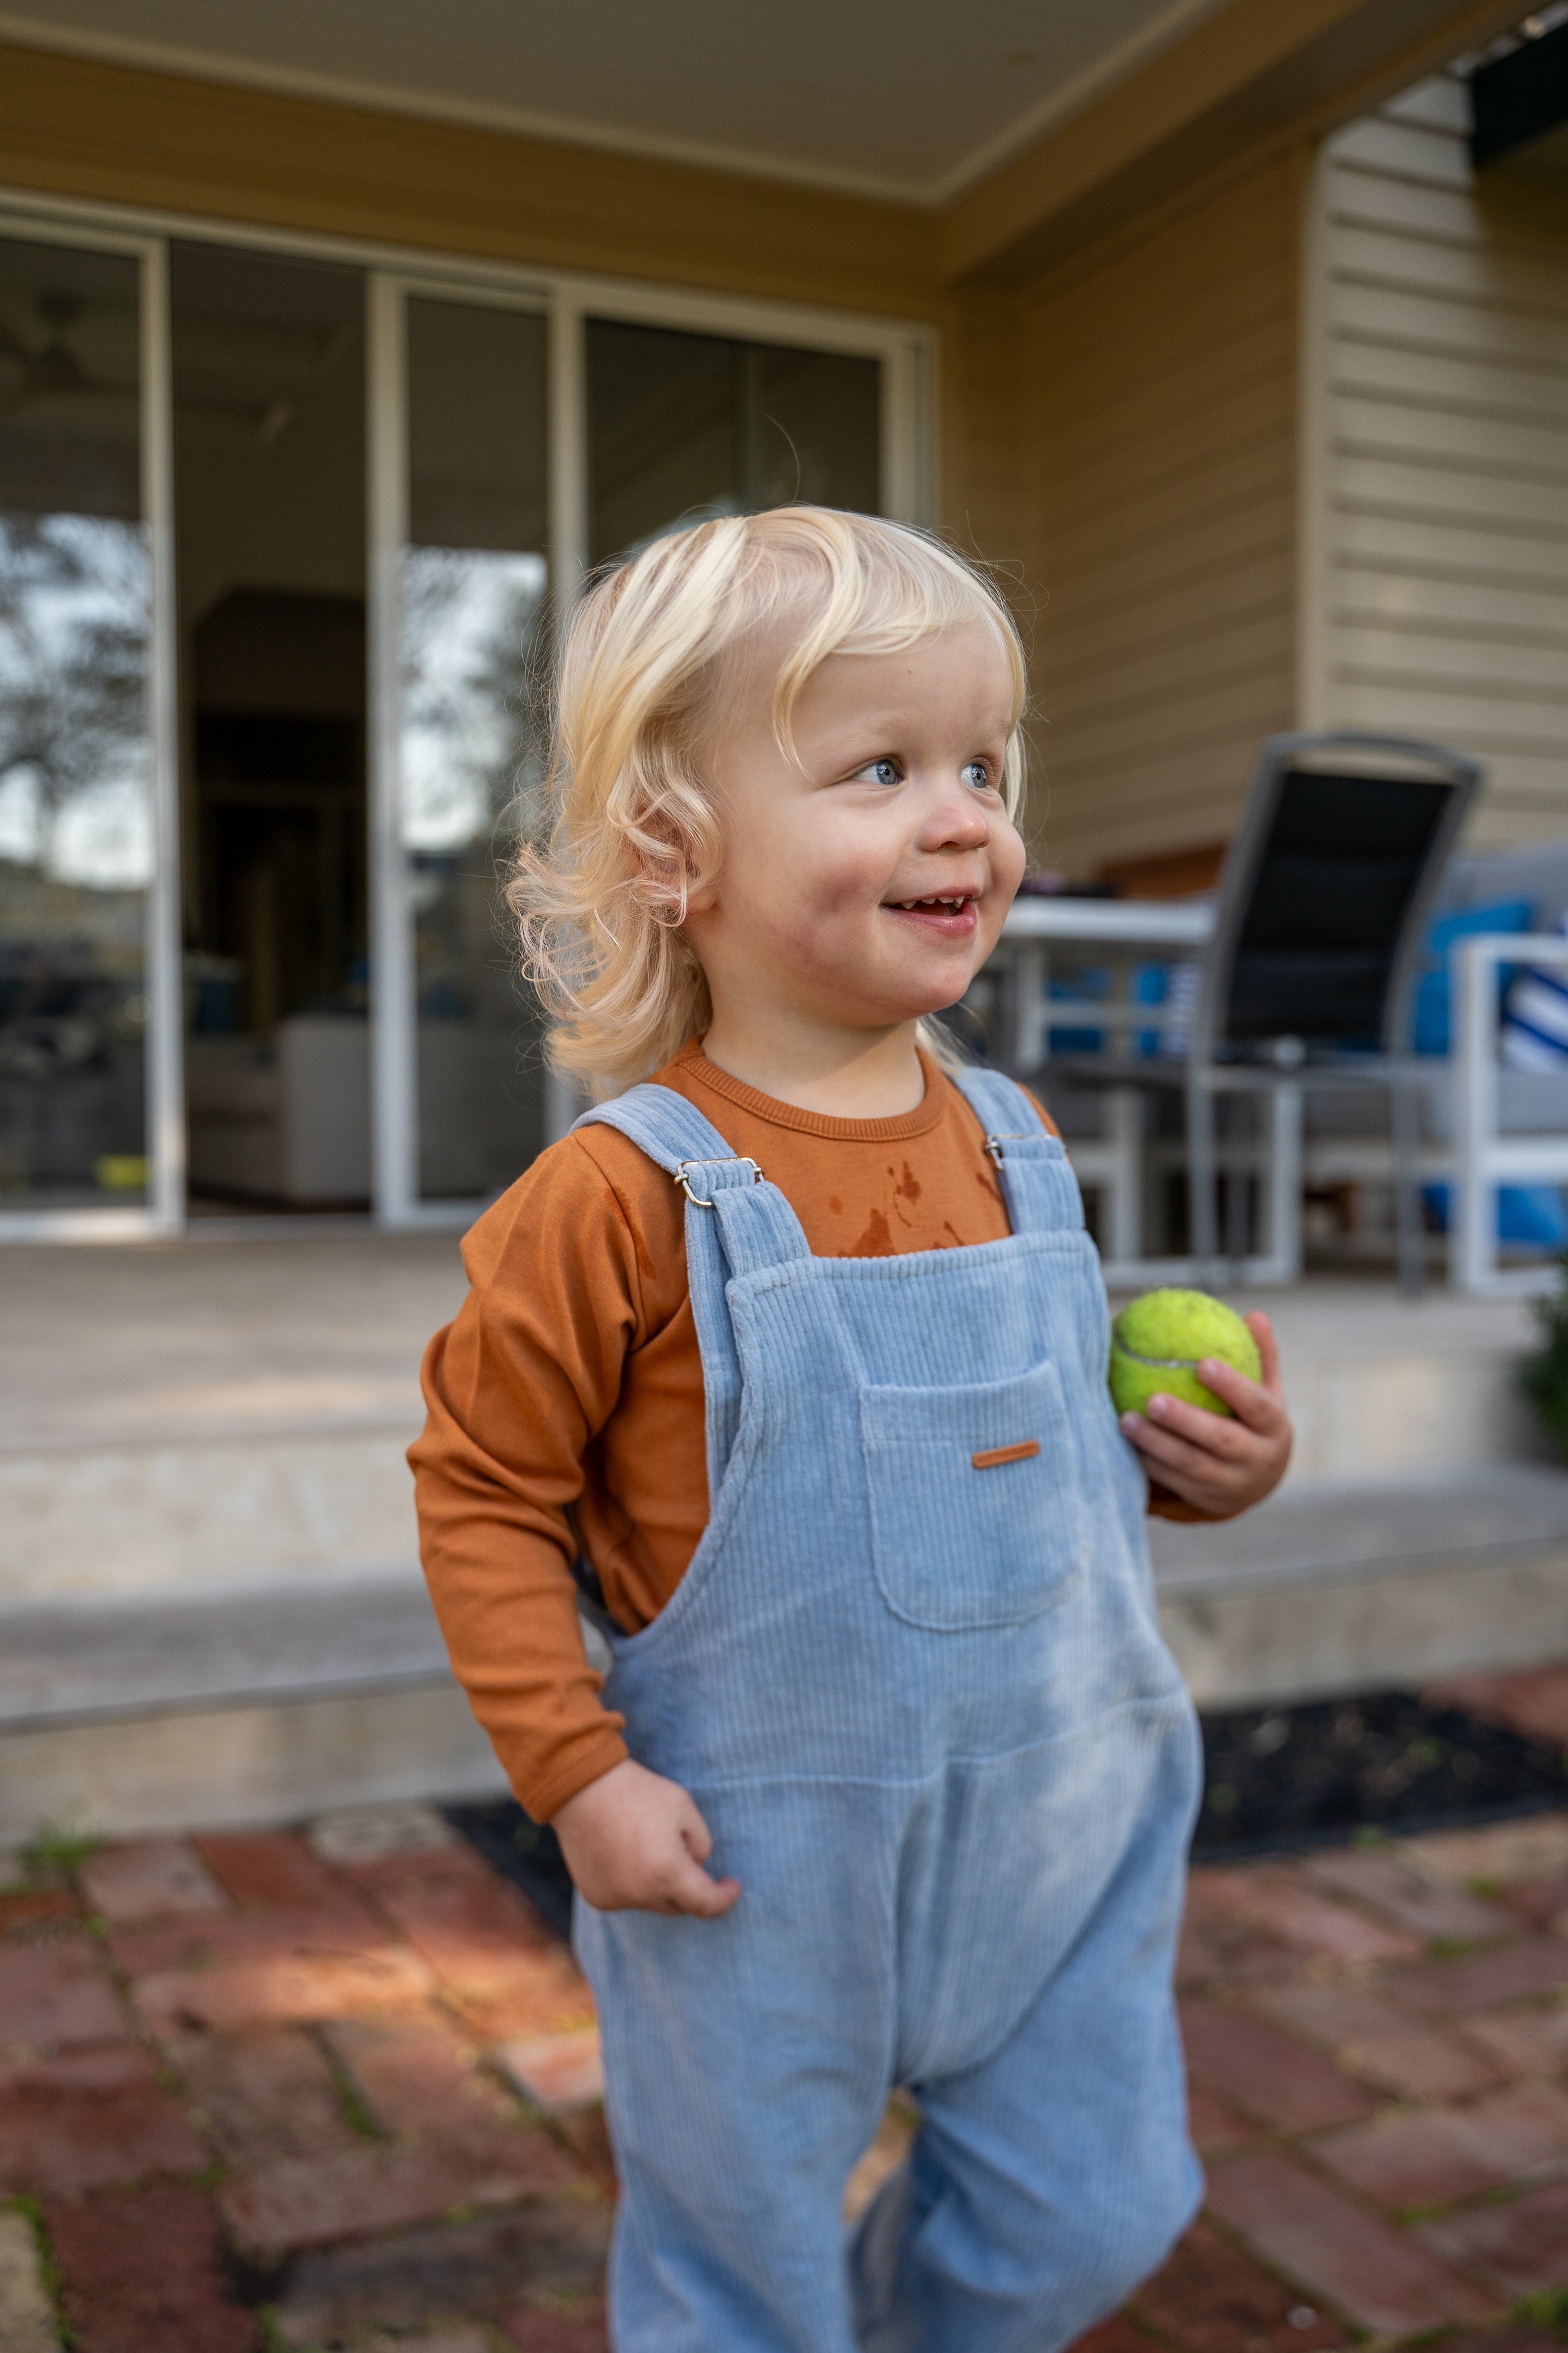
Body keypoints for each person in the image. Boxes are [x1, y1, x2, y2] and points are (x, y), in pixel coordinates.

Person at [411, 507, 1293, 2353]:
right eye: (880, 766)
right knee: (743, 2288)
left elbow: (1044, 1459)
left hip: (1055, 1839)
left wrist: (1206, 1468)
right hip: (751, 1881)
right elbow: (484, 1489)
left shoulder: (1025, 1145)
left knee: (1097, 2210)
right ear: (674, 849)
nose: (963, 810)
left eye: (985, 760)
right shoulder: (618, 1196)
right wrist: (575, 1771)